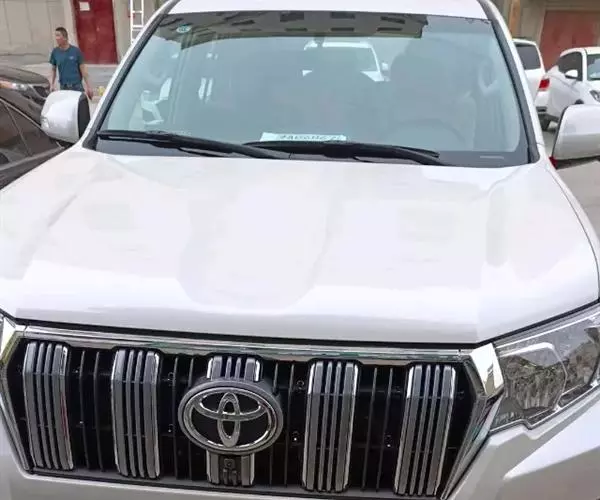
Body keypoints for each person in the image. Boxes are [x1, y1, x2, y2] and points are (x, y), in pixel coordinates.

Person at [49, 27, 93, 99]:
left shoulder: (76, 51)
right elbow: (53, 69)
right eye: (55, 36)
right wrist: (52, 84)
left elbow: (83, 70)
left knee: (78, 105)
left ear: (65, 38)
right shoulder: (55, 52)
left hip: (77, 87)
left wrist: (89, 87)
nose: (56, 38)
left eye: (58, 35)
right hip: (64, 87)